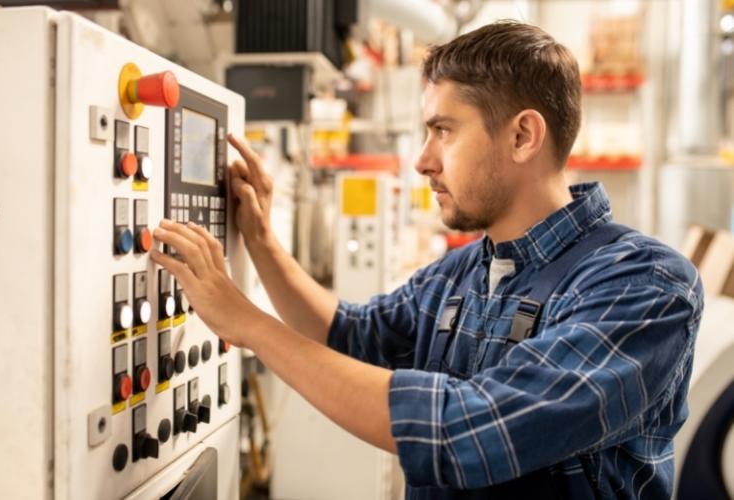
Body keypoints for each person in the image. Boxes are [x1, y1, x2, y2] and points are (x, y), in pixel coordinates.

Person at [151, 21, 703, 500]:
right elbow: (346, 334)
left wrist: (246, 323)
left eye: (443, 130)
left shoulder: (644, 283)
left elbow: (468, 431)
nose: (422, 160)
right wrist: (263, 241)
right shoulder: (463, 274)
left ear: (523, 136)